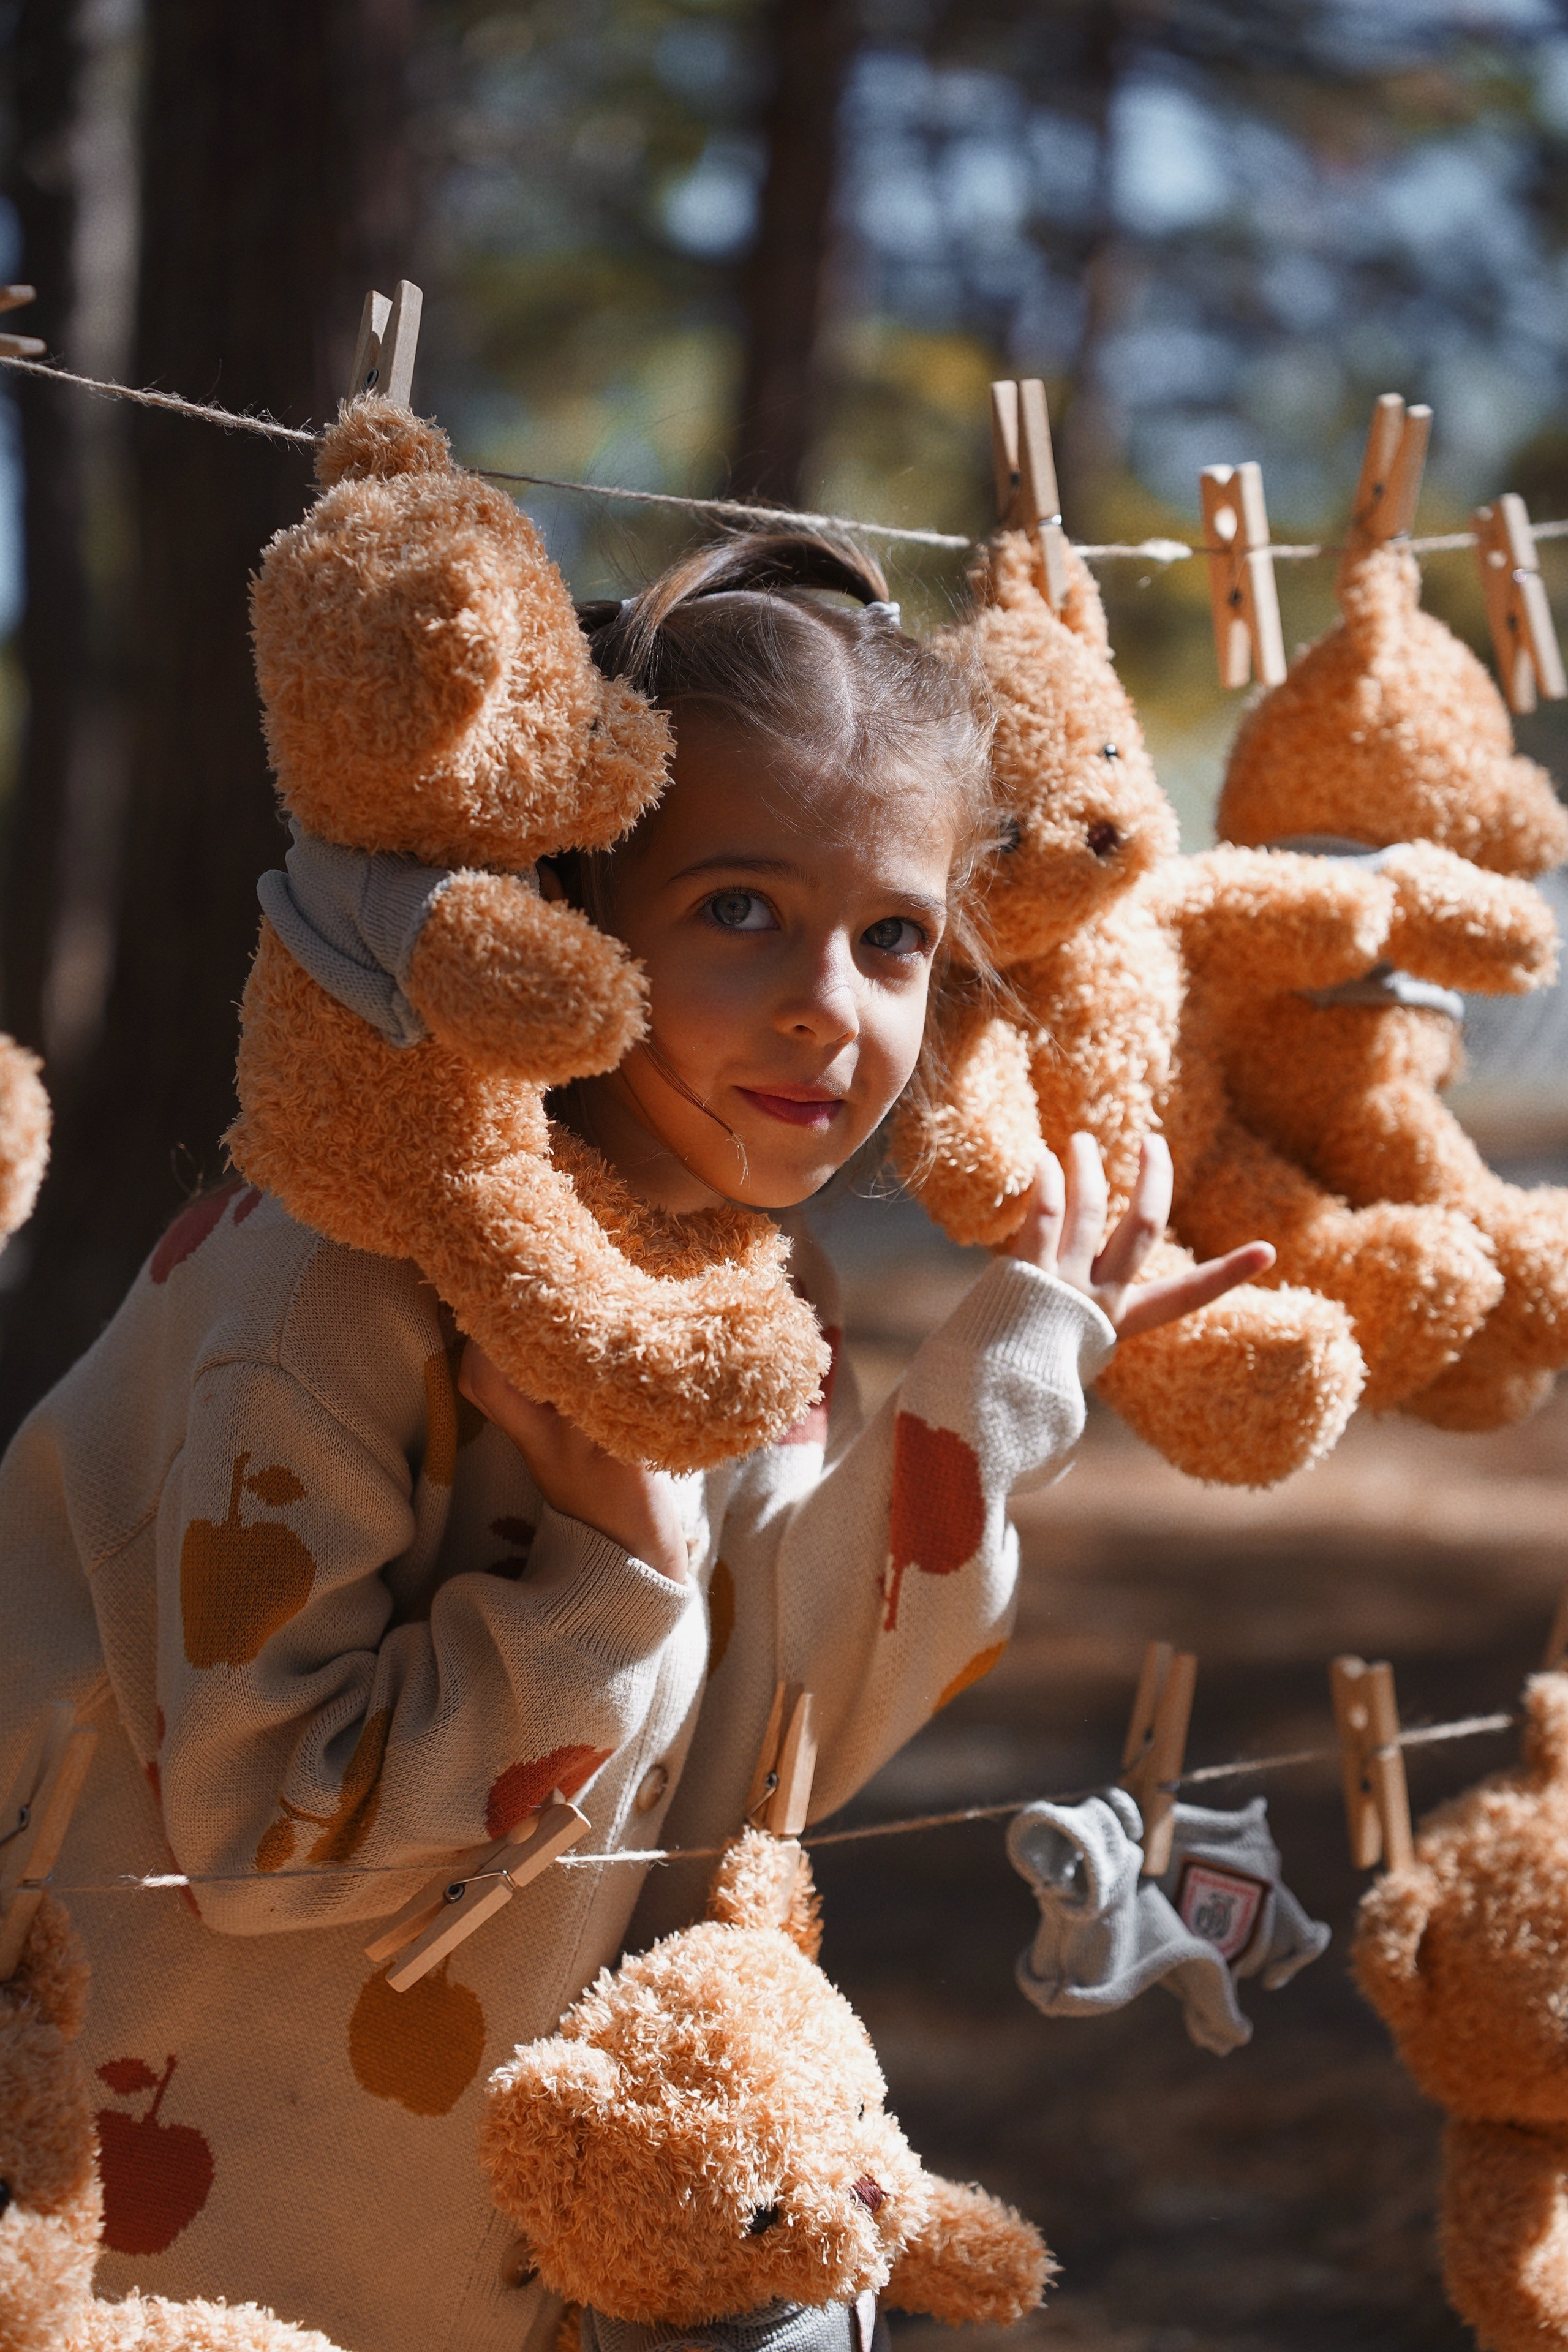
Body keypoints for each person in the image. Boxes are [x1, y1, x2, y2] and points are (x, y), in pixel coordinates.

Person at [0, 533, 1270, 2352]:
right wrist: (604, 1574)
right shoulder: (337, 1285)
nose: (833, 1004)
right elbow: (278, 1841)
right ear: (579, 909)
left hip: (454, 2252)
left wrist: (1017, 1373)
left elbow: (763, 1755)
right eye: (741, 907)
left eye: (895, 936)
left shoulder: (760, 1301)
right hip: (151, 2228)